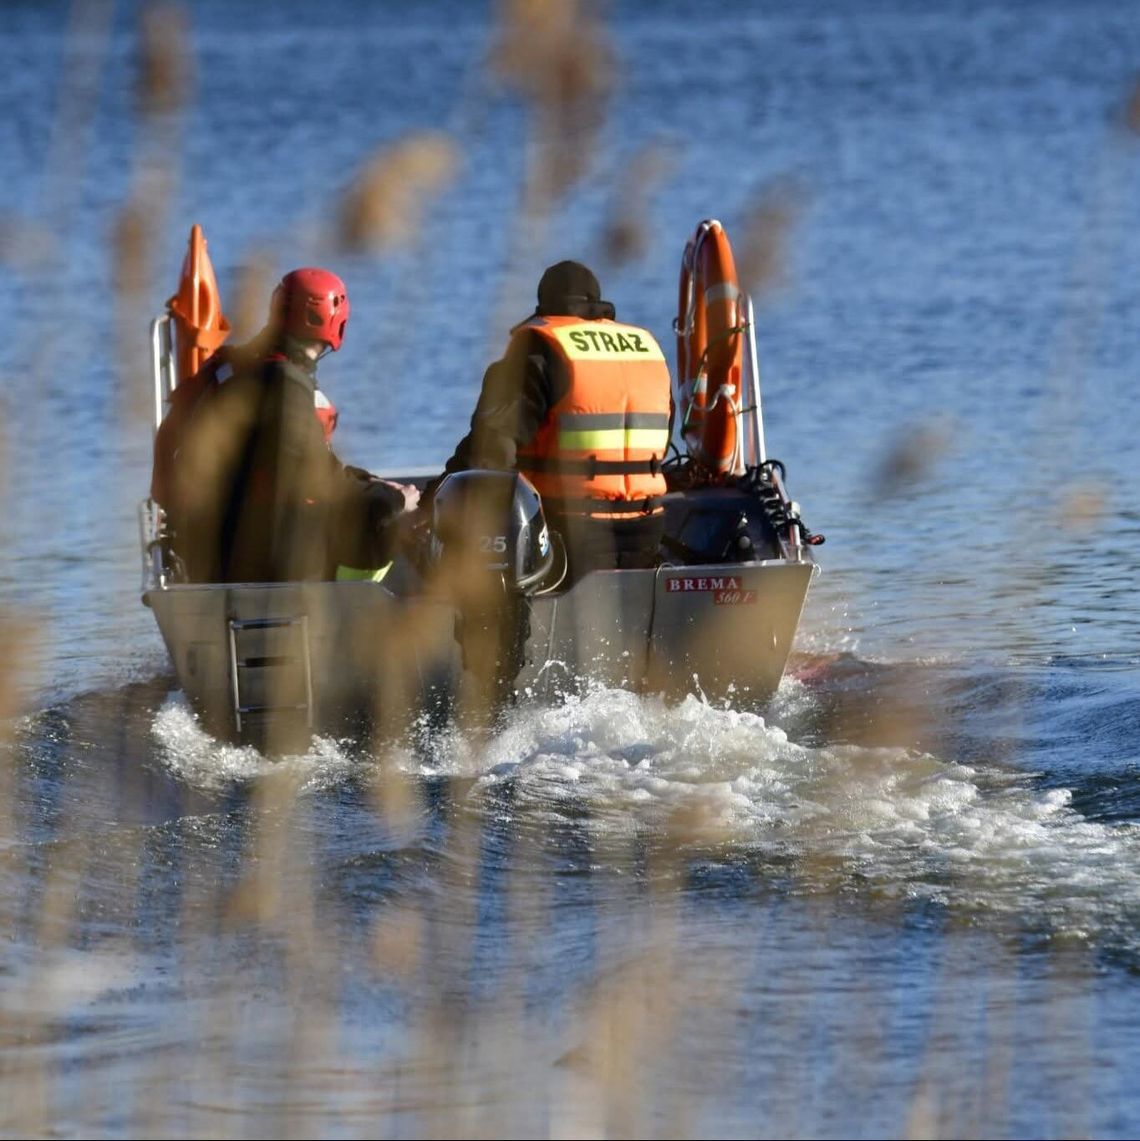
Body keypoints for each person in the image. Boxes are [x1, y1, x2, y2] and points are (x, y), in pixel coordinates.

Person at [153, 267, 417, 584]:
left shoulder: (228, 367)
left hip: (204, 555)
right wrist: (395, 500)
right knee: (387, 519)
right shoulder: (284, 385)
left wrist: (367, 481)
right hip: (261, 565)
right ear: (336, 322)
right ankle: (346, 614)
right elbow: (321, 482)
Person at [424, 260, 671, 578]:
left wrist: (433, 501)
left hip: (569, 530)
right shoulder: (645, 351)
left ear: (546, 304)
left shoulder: (540, 349)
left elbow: (490, 451)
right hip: (646, 526)